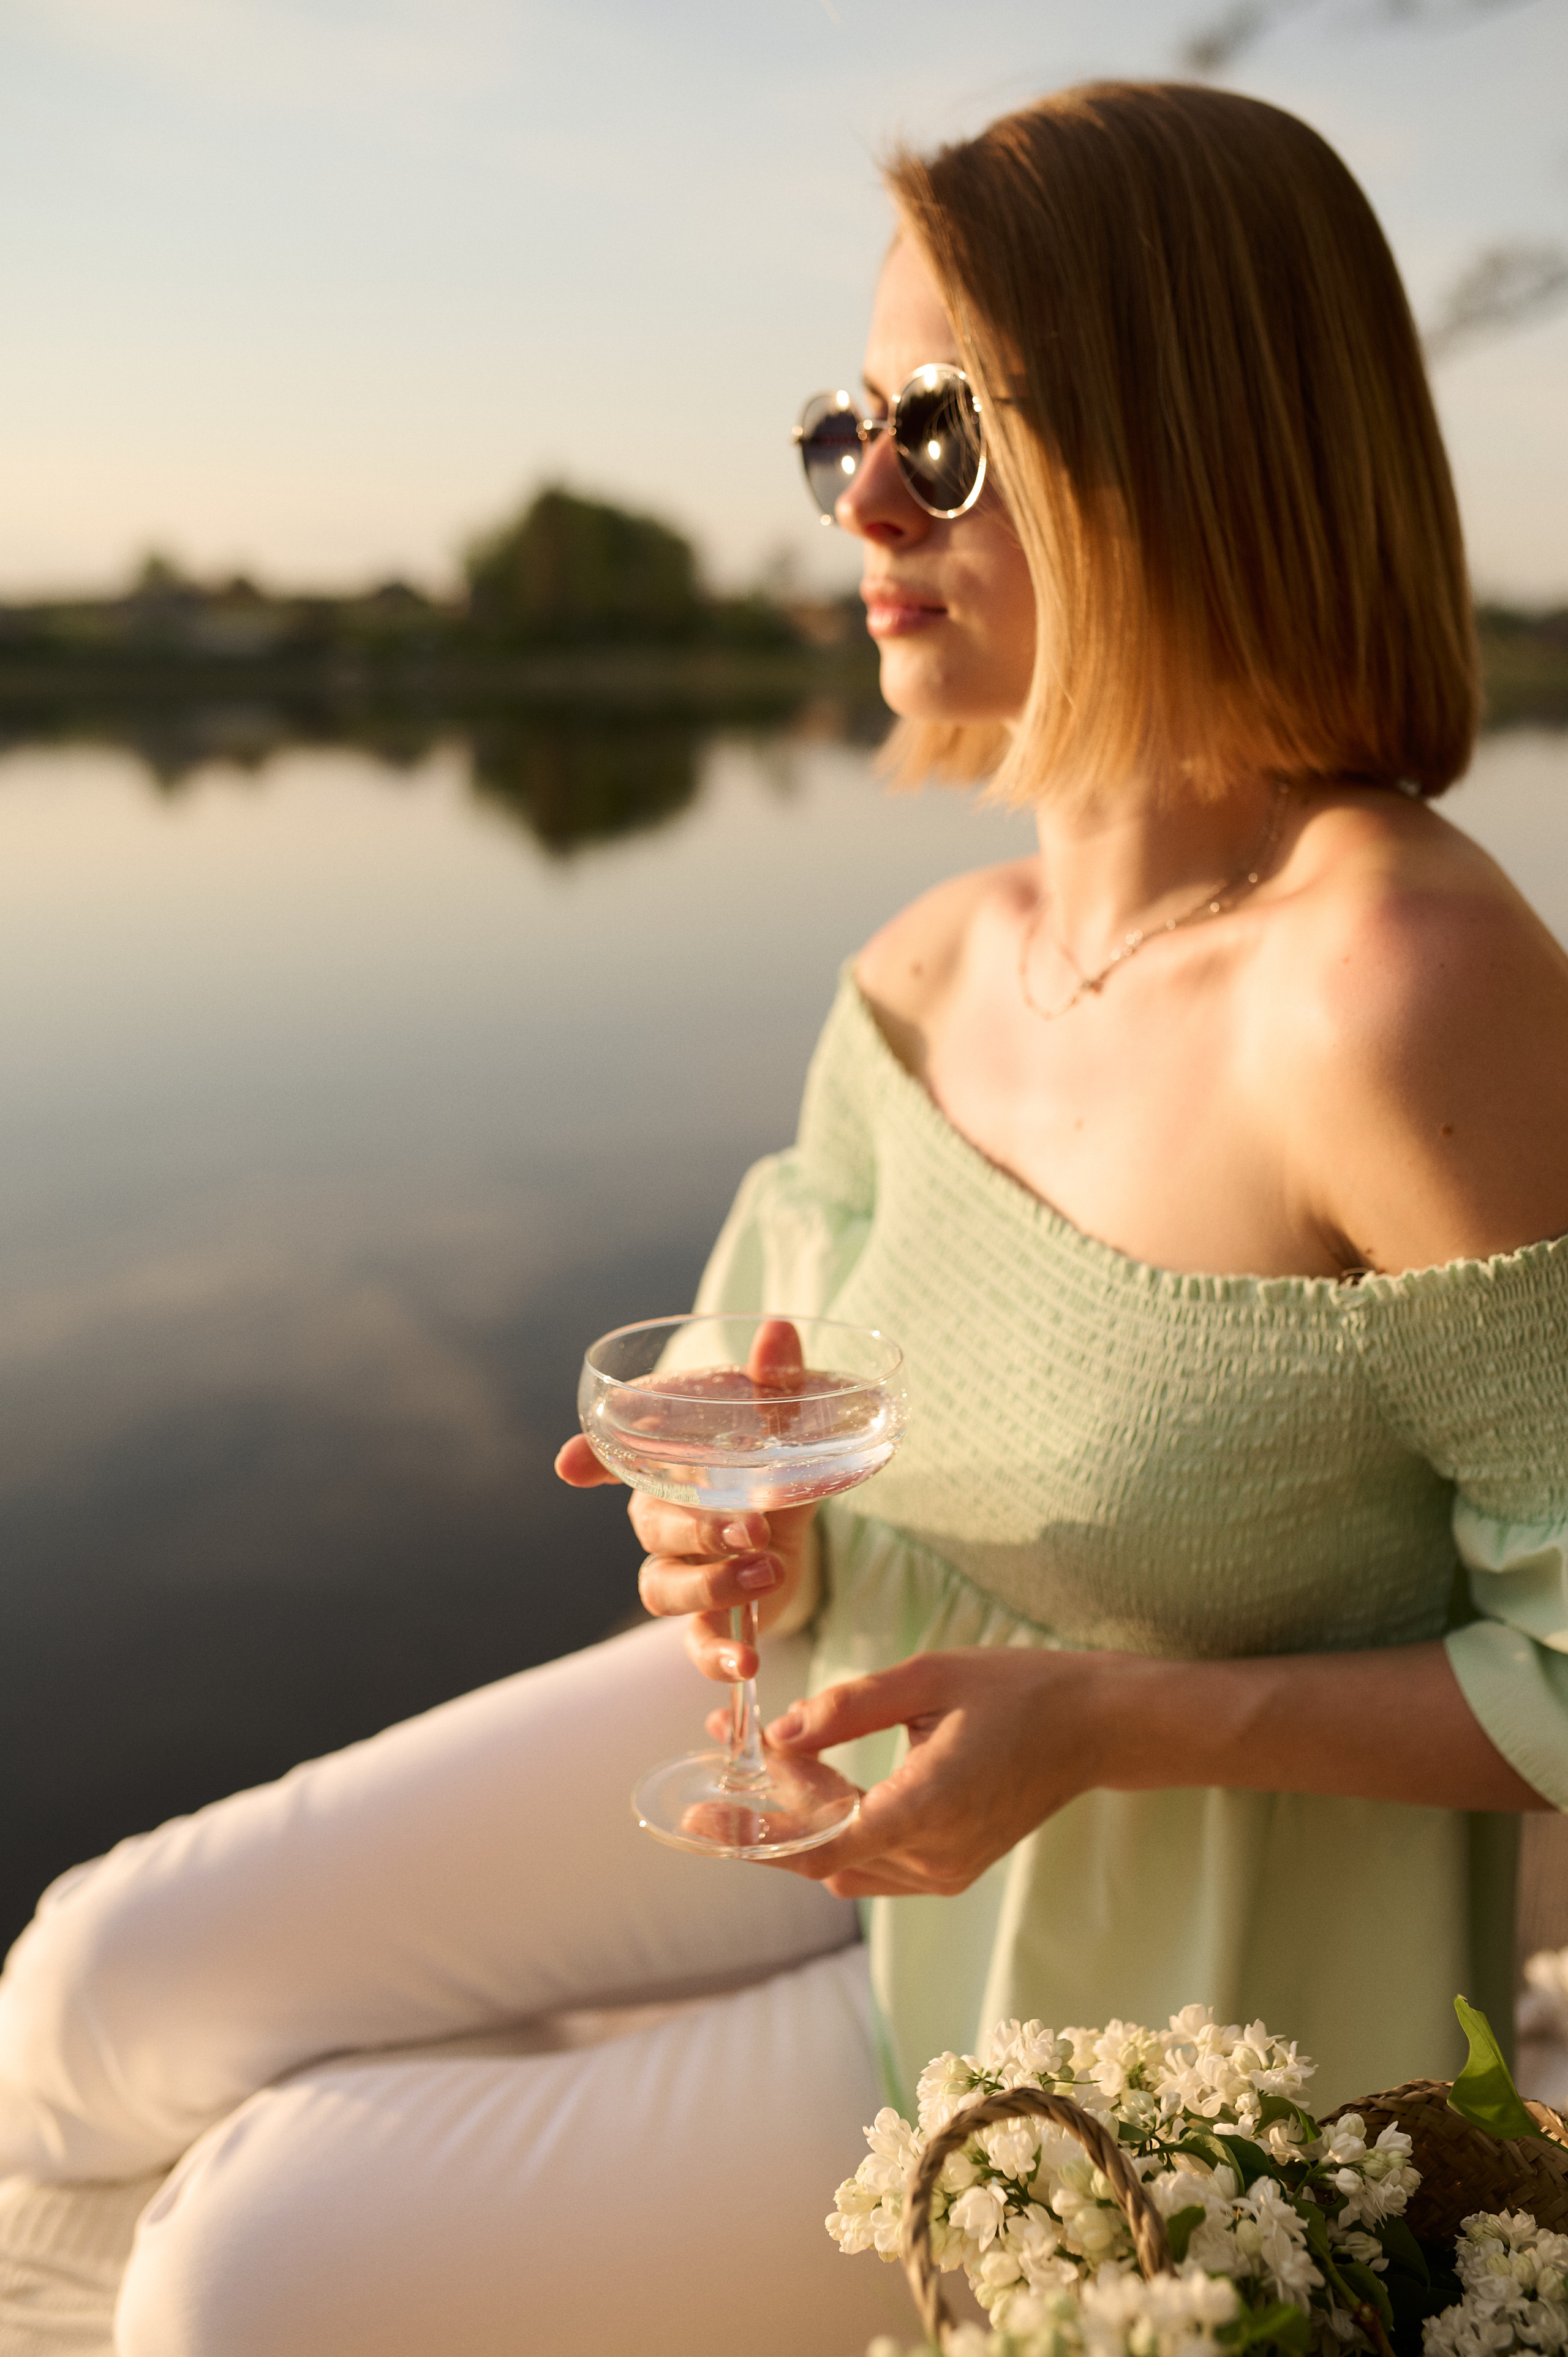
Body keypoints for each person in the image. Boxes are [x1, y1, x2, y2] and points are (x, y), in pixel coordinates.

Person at [2, 77, 1567, 2357]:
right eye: (841, 427)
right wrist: (731, 1546)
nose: (862, 498)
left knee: (246, 2270)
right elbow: (779, 1439)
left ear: (1187, 435)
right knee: (87, 1996)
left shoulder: (1398, 986)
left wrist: (1113, 1722)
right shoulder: (924, 976)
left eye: (940, 432)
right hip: (835, 1774)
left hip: (1144, 2020)